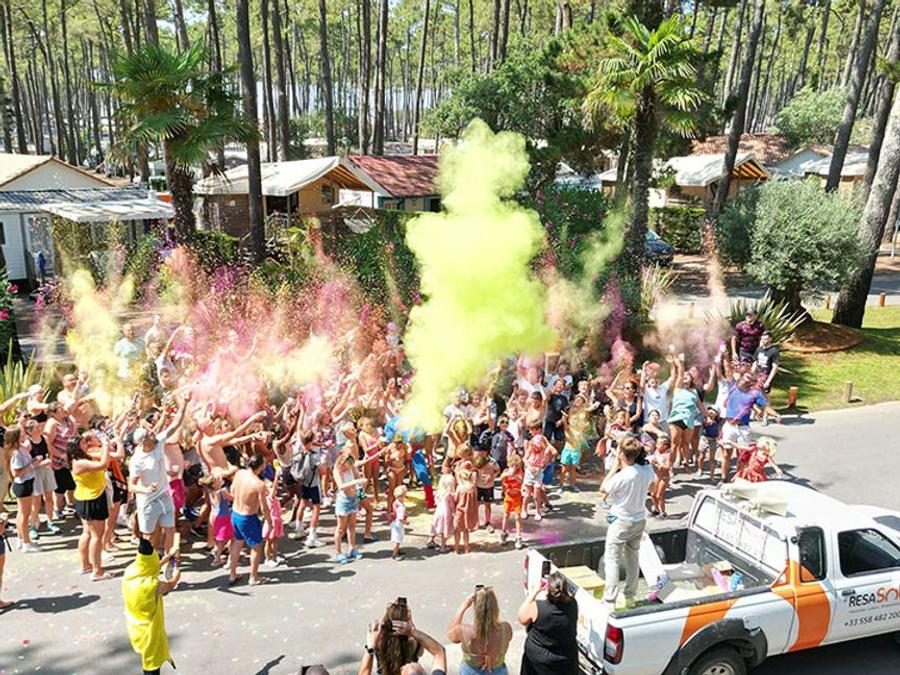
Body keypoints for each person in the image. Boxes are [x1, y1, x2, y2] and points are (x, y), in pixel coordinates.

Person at [600, 436, 659, 608]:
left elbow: (603, 489)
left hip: (621, 521)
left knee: (612, 560)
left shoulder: (623, 476)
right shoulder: (646, 469)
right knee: (633, 557)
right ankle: (630, 596)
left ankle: (609, 599)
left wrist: (614, 468)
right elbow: (653, 487)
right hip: (639, 519)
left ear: (621, 454)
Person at [130, 396, 189, 554]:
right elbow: (131, 486)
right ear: (144, 442)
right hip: (148, 502)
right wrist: (145, 489)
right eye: (150, 435)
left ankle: (169, 560)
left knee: (170, 529)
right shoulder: (137, 460)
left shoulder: (158, 442)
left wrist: (184, 403)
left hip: (165, 496)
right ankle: (149, 561)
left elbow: (175, 424)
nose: (154, 434)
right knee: (149, 536)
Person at [122, 537, 181, 675]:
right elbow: (170, 585)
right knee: (151, 663)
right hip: (149, 630)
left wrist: (169, 555)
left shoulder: (131, 571)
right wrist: (176, 576)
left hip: (134, 625)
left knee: (148, 657)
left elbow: (152, 566)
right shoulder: (150, 585)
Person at [720, 371, 782, 482]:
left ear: (751, 384)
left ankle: (739, 480)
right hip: (729, 425)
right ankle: (723, 479)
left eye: (747, 381)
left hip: (743, 428)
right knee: (726, 453)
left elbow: (765, 407)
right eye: (743, 379)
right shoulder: (733, 386)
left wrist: (776, 414)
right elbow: (727, 368)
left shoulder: (755, 394)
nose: (743, 382)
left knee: (742, 456)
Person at [359, 600, 447, 675]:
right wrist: (412, 631)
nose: (409, 664)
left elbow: (364, 672)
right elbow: (439, 652)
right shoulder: (413, 644)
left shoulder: (380, 645)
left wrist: (370, 647)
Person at [69, 431, 113, 580]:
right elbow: (103, 464)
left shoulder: (83, 458)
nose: (86, 444)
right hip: (92, 499)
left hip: (85, 498)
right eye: (83, 443)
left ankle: (85, 565)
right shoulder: (80, 462)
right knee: (96, 536)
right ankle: (97, 571)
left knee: (87, 533)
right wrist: (105, 444)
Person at [517, 571, 578, 674]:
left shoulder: (539, 608)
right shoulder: (573, 604)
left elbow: (521, 617)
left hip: (539, 662)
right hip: (565, 661)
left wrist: (534, 592)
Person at [228, 452, 272, 585]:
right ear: (261, 466)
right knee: (256, 547)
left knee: (237, 543)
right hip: (248, 518)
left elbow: (232, 491)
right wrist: (269, 521)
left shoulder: (239, 473)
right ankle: (253, 577)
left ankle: (232, 574)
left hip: (235, 513)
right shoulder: (259, 484)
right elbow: (264, 508)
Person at [447, 586, 513, 674]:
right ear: (495, 606)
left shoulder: (465, 631)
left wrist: (463, 606)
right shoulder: (505, 628)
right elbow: (507, 637)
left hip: (471, 671)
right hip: (497, 670)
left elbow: (450, 635)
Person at [8, 428, 39, 552]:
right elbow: (16, 473)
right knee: (25, 515)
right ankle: (26, 543)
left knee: (21, 513)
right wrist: (32, 465)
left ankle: (21, 539)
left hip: (27, 483)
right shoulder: (16, 453)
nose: (24, 434)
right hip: (23, 485)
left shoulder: (22, 448)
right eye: (21, 433)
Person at [332, 450, 367, 564]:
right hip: (343, 501)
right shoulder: (337, 471)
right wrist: (355, 482)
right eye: (346, 466)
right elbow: (341, 486)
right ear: (342, 463)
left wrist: (361, 495)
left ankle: (352, 549)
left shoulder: (352, 467)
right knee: (341, 528)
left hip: (354, 498)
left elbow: (360, 482)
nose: (348, 468)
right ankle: (338, 552)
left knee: (352, 525)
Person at [499, 454, 524, 549]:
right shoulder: (506, 471)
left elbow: (520, 480)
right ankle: (503, 533)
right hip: (508, 497)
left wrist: (514, 476)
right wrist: (506, 474)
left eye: (516, 465)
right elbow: (501, 478)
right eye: (513, 465)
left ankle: (518, 536)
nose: (515, 467)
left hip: (517, 497)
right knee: (506, 515)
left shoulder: (519, 472)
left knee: (517, 517)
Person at [426, 473, 456, 552]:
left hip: (438, 512)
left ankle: (430, 541)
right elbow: (452, 505)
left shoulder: (438, 492)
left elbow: (436, 502)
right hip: (446, 513)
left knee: (435, 526)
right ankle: (443, 547)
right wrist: (454, 512)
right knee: (444, 529)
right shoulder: (449, 495)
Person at [391, 485, 409, 561]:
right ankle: (394, 554)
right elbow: (400, 518)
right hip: (398, 525)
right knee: (398, 540)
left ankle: (397, 550)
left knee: (397, 538)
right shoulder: (401, 507)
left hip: (394, 523)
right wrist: (406, 522)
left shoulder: (395, 502)